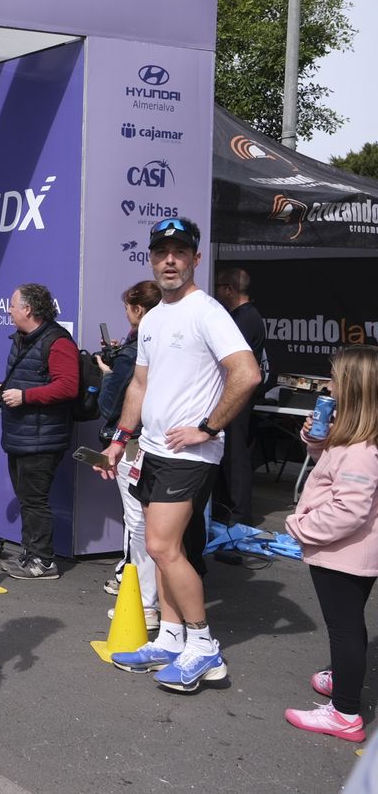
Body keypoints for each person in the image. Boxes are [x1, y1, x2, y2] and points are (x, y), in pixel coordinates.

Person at [98, 217, 259, 693]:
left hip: (189, 455)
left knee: (163, 548)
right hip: (150, 449)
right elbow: (140, 385)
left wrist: (208, 427)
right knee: (159, 548)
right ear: (152, 258)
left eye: (180, 252)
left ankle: (205, 648)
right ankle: (171, 638)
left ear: (195, 259)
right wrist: (120, 438)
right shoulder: (153, 318)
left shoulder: (207, 311)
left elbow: (246, 374)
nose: (170, 259)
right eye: (162, 251)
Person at [283, 345, 378, 741]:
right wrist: (317, 442)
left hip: (344, 554)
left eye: (336, 378)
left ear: (353, 388)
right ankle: (343, 678)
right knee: (349, 623)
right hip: (352, 552)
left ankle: (345, 713)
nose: (330, 384)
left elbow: (349, 510)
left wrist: (300, 526)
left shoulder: (361, 451)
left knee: (344, 628)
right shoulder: (356, 437)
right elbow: (333, 473)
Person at [0, 283, 79, 581]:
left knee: (34, 500)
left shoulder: (57, 341)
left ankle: (43, 561)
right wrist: (4, 387)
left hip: (42, 437)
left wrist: (26, 397)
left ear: (27, 309)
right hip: (22, 433)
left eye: (12, 304)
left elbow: (68, 386)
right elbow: (29, 376)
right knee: (28, 497)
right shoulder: (25, 339)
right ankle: (31, 554)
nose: (9, 309)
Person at [97, 281, 163, 631]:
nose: (125, 312)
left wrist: (107, 375)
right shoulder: (164, 345)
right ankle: (154, 602)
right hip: (168, 445)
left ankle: (145, 603)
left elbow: (109, 405)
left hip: (136, 444)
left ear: (138, 311)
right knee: (158, 527)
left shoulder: (131, 354)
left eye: (128, 307)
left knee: (139, 523)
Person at [213, 266, 270, 526]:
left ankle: (240, 516)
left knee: (236, 456)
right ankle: (227, 509)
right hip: (231, 395)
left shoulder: (246, 320)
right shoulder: (241, 317)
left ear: (229, 290)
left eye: (219, 288)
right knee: (228, 455)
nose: (216, 293)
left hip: (237, 397)